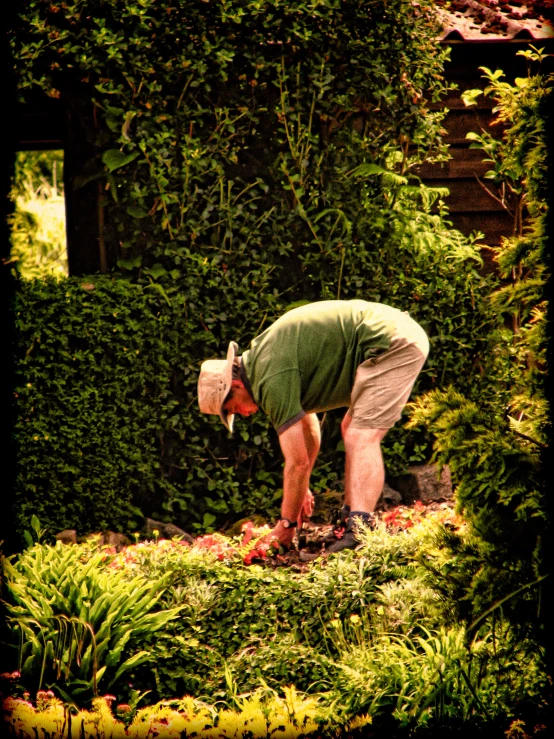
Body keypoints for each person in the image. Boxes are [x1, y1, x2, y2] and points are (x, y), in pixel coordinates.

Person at [198, 299, 429, 553]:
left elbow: (297, 463)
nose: (241, 414)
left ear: (236, 386)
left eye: (232, 409)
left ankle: (359, 532)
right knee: (350, 427)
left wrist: (286, 524)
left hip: (392, 343)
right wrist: (300, 487)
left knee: (361, 436)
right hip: (388, 337)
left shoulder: (269, 379)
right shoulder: (264, 365)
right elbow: (309, 432)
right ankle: (348, 522)